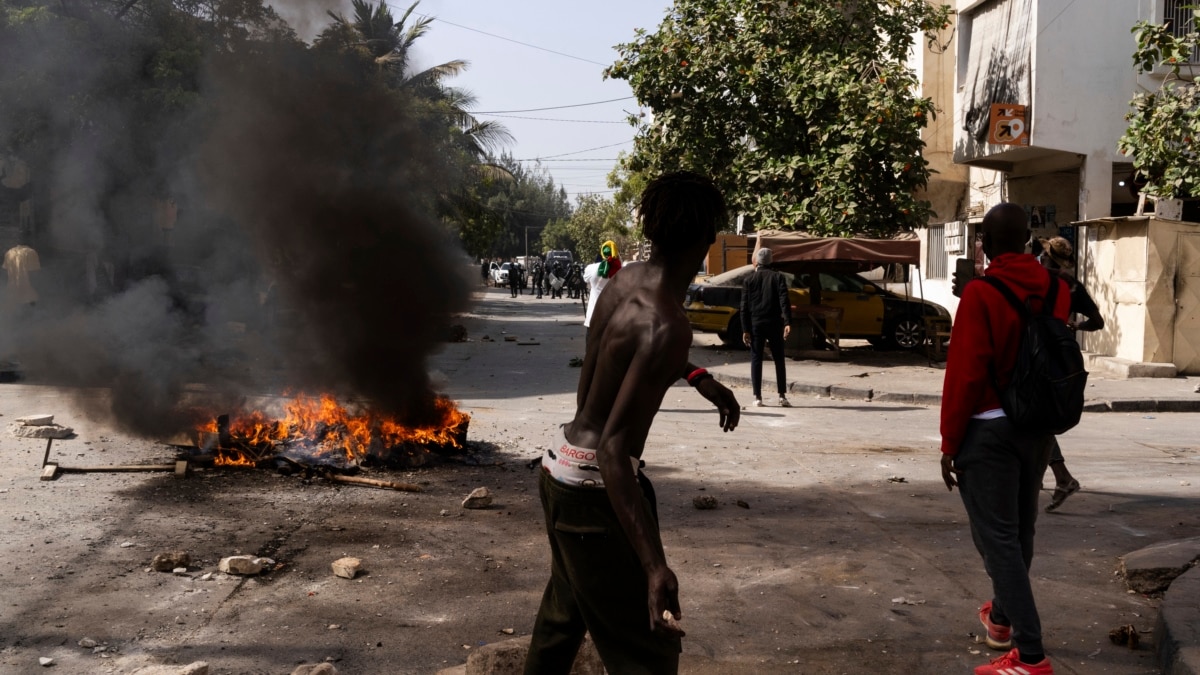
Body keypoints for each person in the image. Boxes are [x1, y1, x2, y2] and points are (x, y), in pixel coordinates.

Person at [524, 171, 741, 675]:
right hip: (595, 490)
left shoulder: (623, 281)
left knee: (562, 621)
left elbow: (623, 350)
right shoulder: (669, 325)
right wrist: (654, 566)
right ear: (709, 236)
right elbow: (613, 451)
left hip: (558, 469)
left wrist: (696, 375)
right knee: (648, 652)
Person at [941, 202, 1069, 675]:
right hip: (1036, 428)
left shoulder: (981, 293)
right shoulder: (1056, 287)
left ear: (988, 245)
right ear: (1027, 242)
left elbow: (965, 373)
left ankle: (1030, 653)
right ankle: (999, 619)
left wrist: (949, 442)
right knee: (1020, 531)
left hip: (988, 429)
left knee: (997, 539)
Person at [1037, 236, 1104, 512]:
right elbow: (1098, 322)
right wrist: (1075, 327)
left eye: (1042, 254)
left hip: (1039, 353)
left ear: (1047, 257)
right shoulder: (1073, 285)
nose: (1040, 258)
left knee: (1035, 418)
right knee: (1039, 417)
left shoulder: (1040, 280)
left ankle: (1061, 477)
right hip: (1063, 357)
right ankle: (1045, 476)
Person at [740, 247, 791, 407]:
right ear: (771, 261)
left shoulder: (749, 280)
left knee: (756, 359)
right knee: (779, 359)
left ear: (757, 262)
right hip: (774, 323)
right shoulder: (778, 278)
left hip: (756, 324)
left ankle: (757, 396)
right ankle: (782, 396)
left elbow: (744, 306)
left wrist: (745, 329)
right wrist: (788, 322)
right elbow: (784, 300)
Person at [583, 239, 622, 331]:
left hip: (594, 317)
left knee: (592, 345)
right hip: (614, 319)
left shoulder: (591, 268)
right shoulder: (621, 270)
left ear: (602, 253)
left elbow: (586, 280)